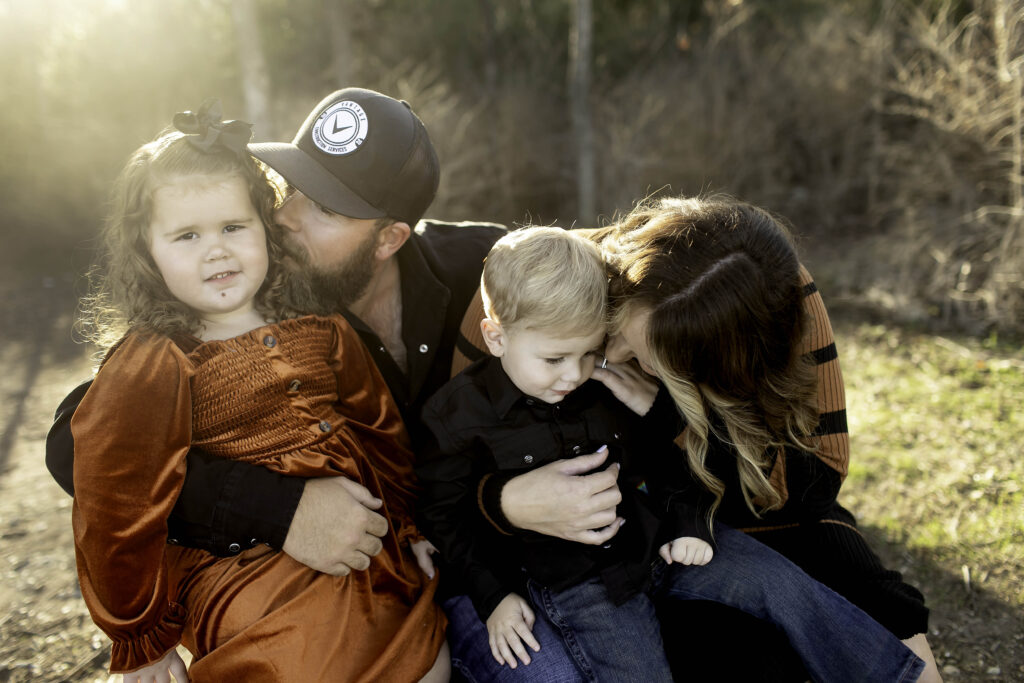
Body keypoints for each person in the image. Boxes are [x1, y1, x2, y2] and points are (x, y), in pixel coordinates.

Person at [416, 225, 926, 682]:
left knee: (779, 585)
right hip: (576, 579)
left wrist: (687, 521)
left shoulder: (601, 386)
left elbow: (663, 465)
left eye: (590, 352)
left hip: (653, 537)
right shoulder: (458, 411)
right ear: (496, 337)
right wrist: (494, 594)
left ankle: (893, 674)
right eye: (556, 359)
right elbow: (444, 513)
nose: (574, 374)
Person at [69, 101, 447, 682]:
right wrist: (138, 636)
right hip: (243, 569)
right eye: (187, 235)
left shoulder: (318, 324)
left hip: (369, 549)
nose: (216, 250)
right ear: (148, 251)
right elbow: (112, 500)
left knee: (426, 650)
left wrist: (409, 526)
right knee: (300, 659)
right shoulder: (158, 358)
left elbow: (379, 429)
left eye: (234, 227)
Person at [595, 193, 942, 682]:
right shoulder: (569, 275)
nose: (648, 366)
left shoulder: (780, 294)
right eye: (645, 347)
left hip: (766, 505)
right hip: (658, 525)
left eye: (671, 363)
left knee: (880, 606)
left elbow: (813, 484)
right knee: (736, 649)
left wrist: (665, 414)